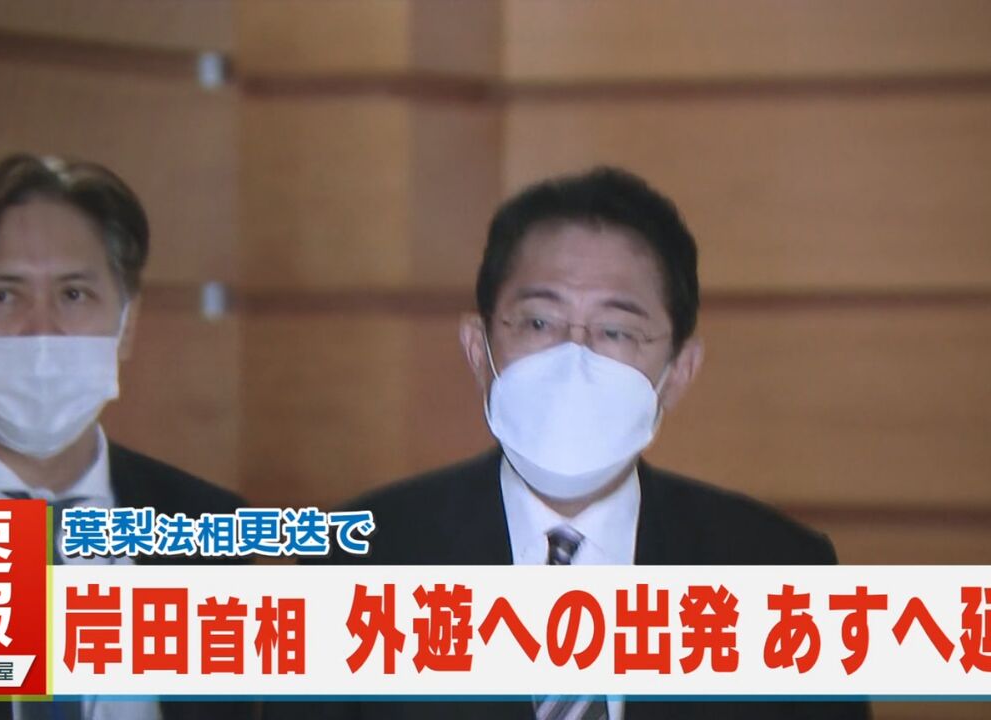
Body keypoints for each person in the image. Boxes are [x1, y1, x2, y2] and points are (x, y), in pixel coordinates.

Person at [306, 167, 869, 719]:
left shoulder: (782, 574)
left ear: (679, 371)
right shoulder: (352, 564)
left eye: (615, 331)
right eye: (538, 323)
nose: (572, 358)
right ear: (479, 350)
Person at [0, 154, 251, 720]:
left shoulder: (211, 533)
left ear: (126, 324)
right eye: (4, 296)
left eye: (73, 295)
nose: (41, 331)